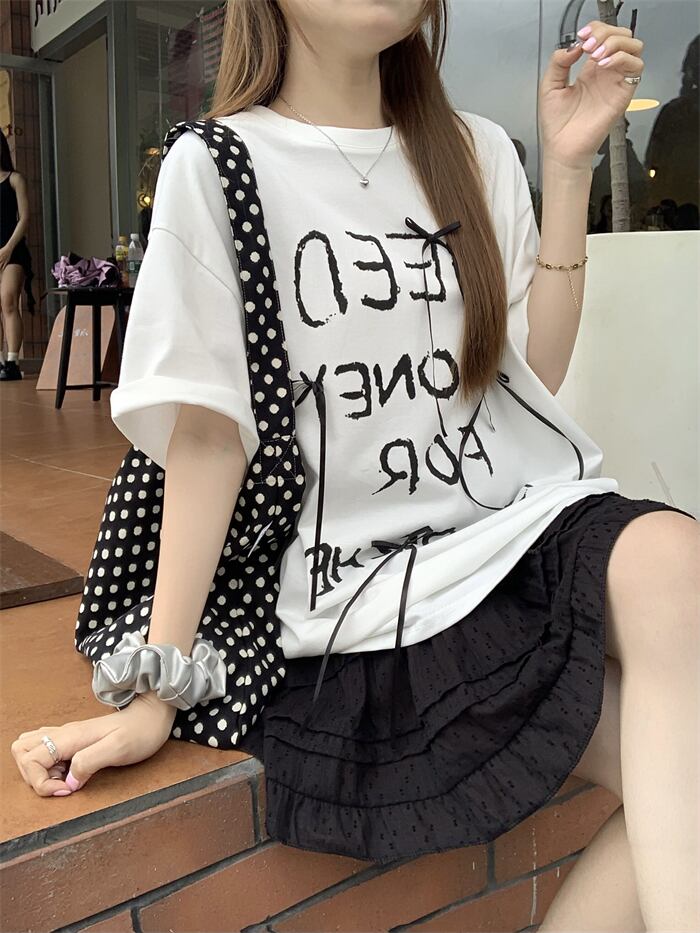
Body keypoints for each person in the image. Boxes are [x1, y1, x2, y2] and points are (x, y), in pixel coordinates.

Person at [11, 3, 700, 929]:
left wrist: (568, 168)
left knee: (673, 563)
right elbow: (209, 440)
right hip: (359, 601)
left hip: (500, 542)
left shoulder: (477, 152)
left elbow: (530, 373)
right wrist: (159, 686)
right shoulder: (218, 166)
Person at [0, 127, 36, 381]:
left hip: (12, 249)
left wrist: (8, 248)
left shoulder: (14, 179)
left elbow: (24, 218)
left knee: (9, 299)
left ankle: (12, 362)